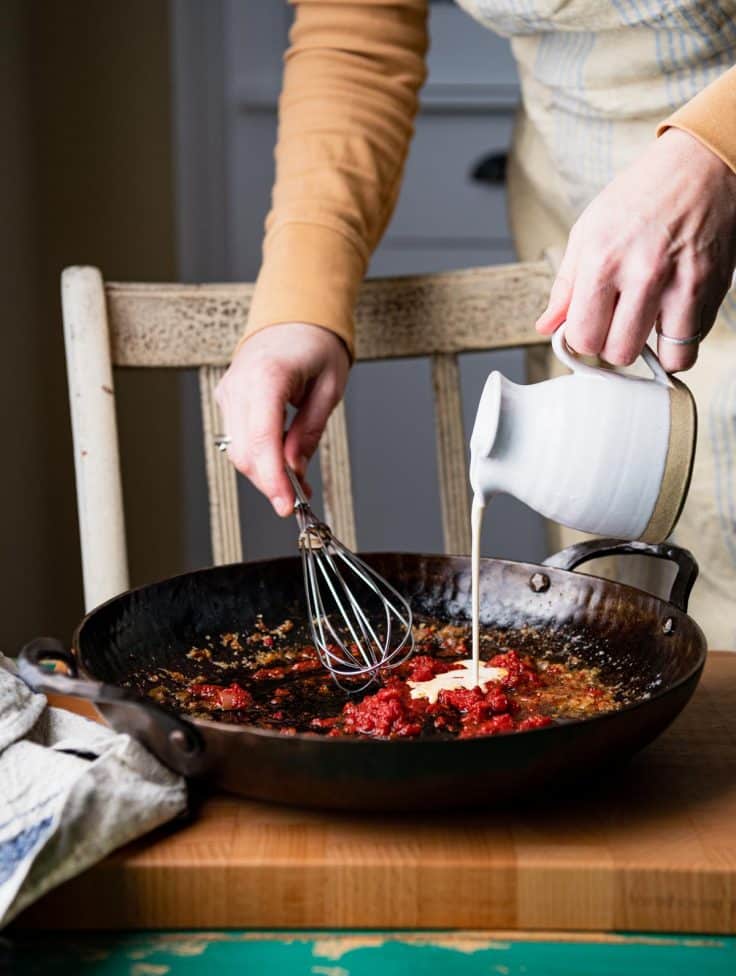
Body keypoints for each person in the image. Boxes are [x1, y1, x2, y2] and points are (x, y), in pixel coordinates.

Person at [215, 0, 736, 645]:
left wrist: (717, 149)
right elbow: (356, 31)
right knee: (614, 622)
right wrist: (299, 300)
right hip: (582, 236)